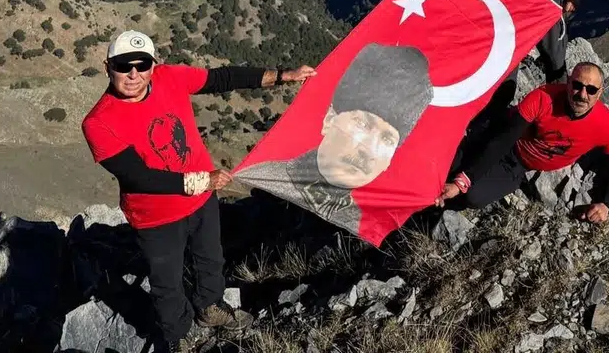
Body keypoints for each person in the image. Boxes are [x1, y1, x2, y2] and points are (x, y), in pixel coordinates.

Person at [81, 30, 316, 352]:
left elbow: (222, 78)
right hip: (156, 215)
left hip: (202, 201)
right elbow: (138, 178)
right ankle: (177, 336)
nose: (133, 74)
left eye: (142, 64)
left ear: (153, 65)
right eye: (124, 66)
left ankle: (210, 308)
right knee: (167, 282)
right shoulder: (99, 122)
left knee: (210, 259)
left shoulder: (169, 78)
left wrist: (282, 76)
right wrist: (201, 181)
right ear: (108, 67)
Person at [235, 43, 432, 231]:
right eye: (362, 124)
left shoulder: (363, 223)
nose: (367, 150)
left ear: (390, 159)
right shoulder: (270, 181)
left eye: (387, 139)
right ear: (330, 119)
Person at [436, 62, 609, 222]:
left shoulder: (605, 125)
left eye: (591, 90)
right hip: (503, 140)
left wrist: (606, 203)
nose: (582, 94)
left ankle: (440, 206)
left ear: (600, 93)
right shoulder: (543, 97)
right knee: (447, 166)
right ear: (568, 83)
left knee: (473, 196)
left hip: (518, 166)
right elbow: (503, 140)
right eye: (577, 85)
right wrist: (464, 180)